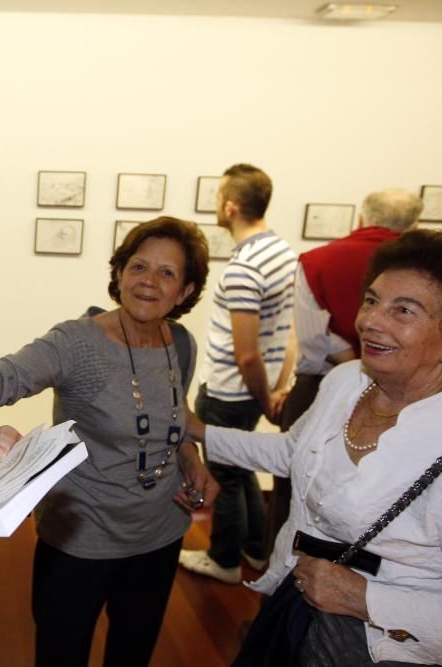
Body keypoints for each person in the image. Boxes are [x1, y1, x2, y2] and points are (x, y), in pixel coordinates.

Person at [0, 217, 220, 667]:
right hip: (82, 538)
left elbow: (173, 417)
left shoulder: (182, 344)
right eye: (138, 266)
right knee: (61, 654)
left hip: (160, 534)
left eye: (167, 273)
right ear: (119, 273)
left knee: (133, 650)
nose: (148, 282)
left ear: (186, 291)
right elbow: (6, 372)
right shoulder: (78, 342)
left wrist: (191, 460)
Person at [188, 228, 442, 665]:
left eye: (403, 310)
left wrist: (366, 598)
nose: (371, 320)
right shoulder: (346, 381)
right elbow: (293, 452)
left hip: (384, 649)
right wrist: (197, 430)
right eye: (371, 300)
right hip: (293, 612)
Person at [265, 188, 423, 559]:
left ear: (361, 218)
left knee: (294, 493)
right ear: (415, 223)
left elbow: (313, 338)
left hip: (322, 385)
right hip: (413, 391)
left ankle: (280, 593)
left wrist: (361, 367)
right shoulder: (430, 274)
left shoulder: (318, 261)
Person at [179, 163, 297, 584]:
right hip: (255, 390)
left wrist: (268, 400)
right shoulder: (284, 253)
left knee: (225, 475)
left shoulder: (245, 265)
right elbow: (291, 333)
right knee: (242, 467)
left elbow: (246, 355)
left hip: (232, 390)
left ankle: (224, 559)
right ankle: (255, 548)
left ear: (229, 206)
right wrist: (278, 389)